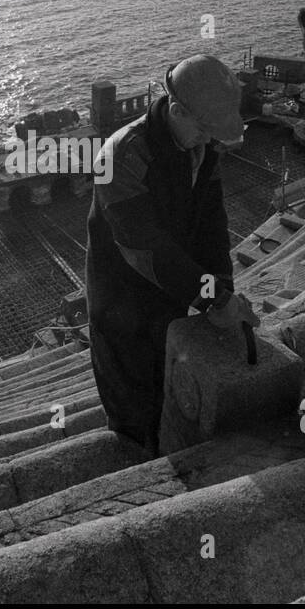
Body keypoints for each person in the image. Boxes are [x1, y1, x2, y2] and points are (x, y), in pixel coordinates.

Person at [85, 54, 260, 457]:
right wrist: (214, 298)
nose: (209, 139)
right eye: (203, 129)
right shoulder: (119, 158)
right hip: (121, 299)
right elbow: (143, 248)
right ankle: (137, 466)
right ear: (176, 110)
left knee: (166, 379)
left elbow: (213, 225)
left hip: (174, 287)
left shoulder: (201, 147)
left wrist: (223, 290)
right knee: (131, 393)